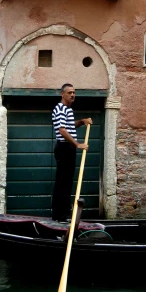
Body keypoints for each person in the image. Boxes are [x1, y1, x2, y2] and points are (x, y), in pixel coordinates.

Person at [51, 83, 92, 222]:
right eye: (69, 93)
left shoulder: (68, 109)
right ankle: (60, 215)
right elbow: (62, 130)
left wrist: (82, 121)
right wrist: (77, 144)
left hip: (68, 148)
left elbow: (70, 125)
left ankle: (63, 214)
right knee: (62, 182)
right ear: (63, 94)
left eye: (74, 92)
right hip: (64, 147)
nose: (72, 95)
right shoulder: (60, 108)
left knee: (67, 182)